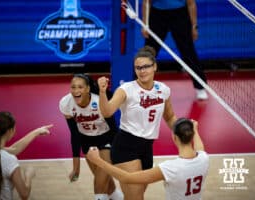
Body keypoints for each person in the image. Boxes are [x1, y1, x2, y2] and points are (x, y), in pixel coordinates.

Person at [97, 46, 177, 200]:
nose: (142, 71)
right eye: (138, 68)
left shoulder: (164, 90)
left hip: (147, 148)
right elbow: (107, 112)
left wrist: (185, 130)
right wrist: (102, 92)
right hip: (126, 146)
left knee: (135, 195)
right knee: (136, 197)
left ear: (155, 66)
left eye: (146, 66)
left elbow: (170, 116)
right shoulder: (126, 89)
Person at [87, 118, 209, 200]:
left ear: (175, 138)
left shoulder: (170, 168)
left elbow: (127, 178)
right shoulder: (203, 159)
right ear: (192, 135)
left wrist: (98, 160)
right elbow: (200, 148)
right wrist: (196, 130)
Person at [59, 74, 123, 200]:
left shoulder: (99, 101)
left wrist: (118, 149)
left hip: (106, 137)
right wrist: (76, 168)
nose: (76, 91)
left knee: (99, 183)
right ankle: (118, 197)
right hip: (86, 140)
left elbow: (113, 127)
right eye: (73, 87)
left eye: (80, 87)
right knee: (104, 180)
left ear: (88, 89)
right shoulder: (66, 103)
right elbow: (75, 134)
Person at [0, 111, 53, 200]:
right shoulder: (9, 160)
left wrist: (36, 132)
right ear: (10, 131)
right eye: (14, 128)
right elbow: (24, 194)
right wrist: (28, 175)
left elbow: (14, 149)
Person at [142, 0, 209, 100]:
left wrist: (194, 26)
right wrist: (145, 25)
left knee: (188, 52)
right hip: (157, 15)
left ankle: (200, 87)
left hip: (180, 15)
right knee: (149, 53)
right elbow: (146, 2)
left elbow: (191, 4)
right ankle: (138, 87)